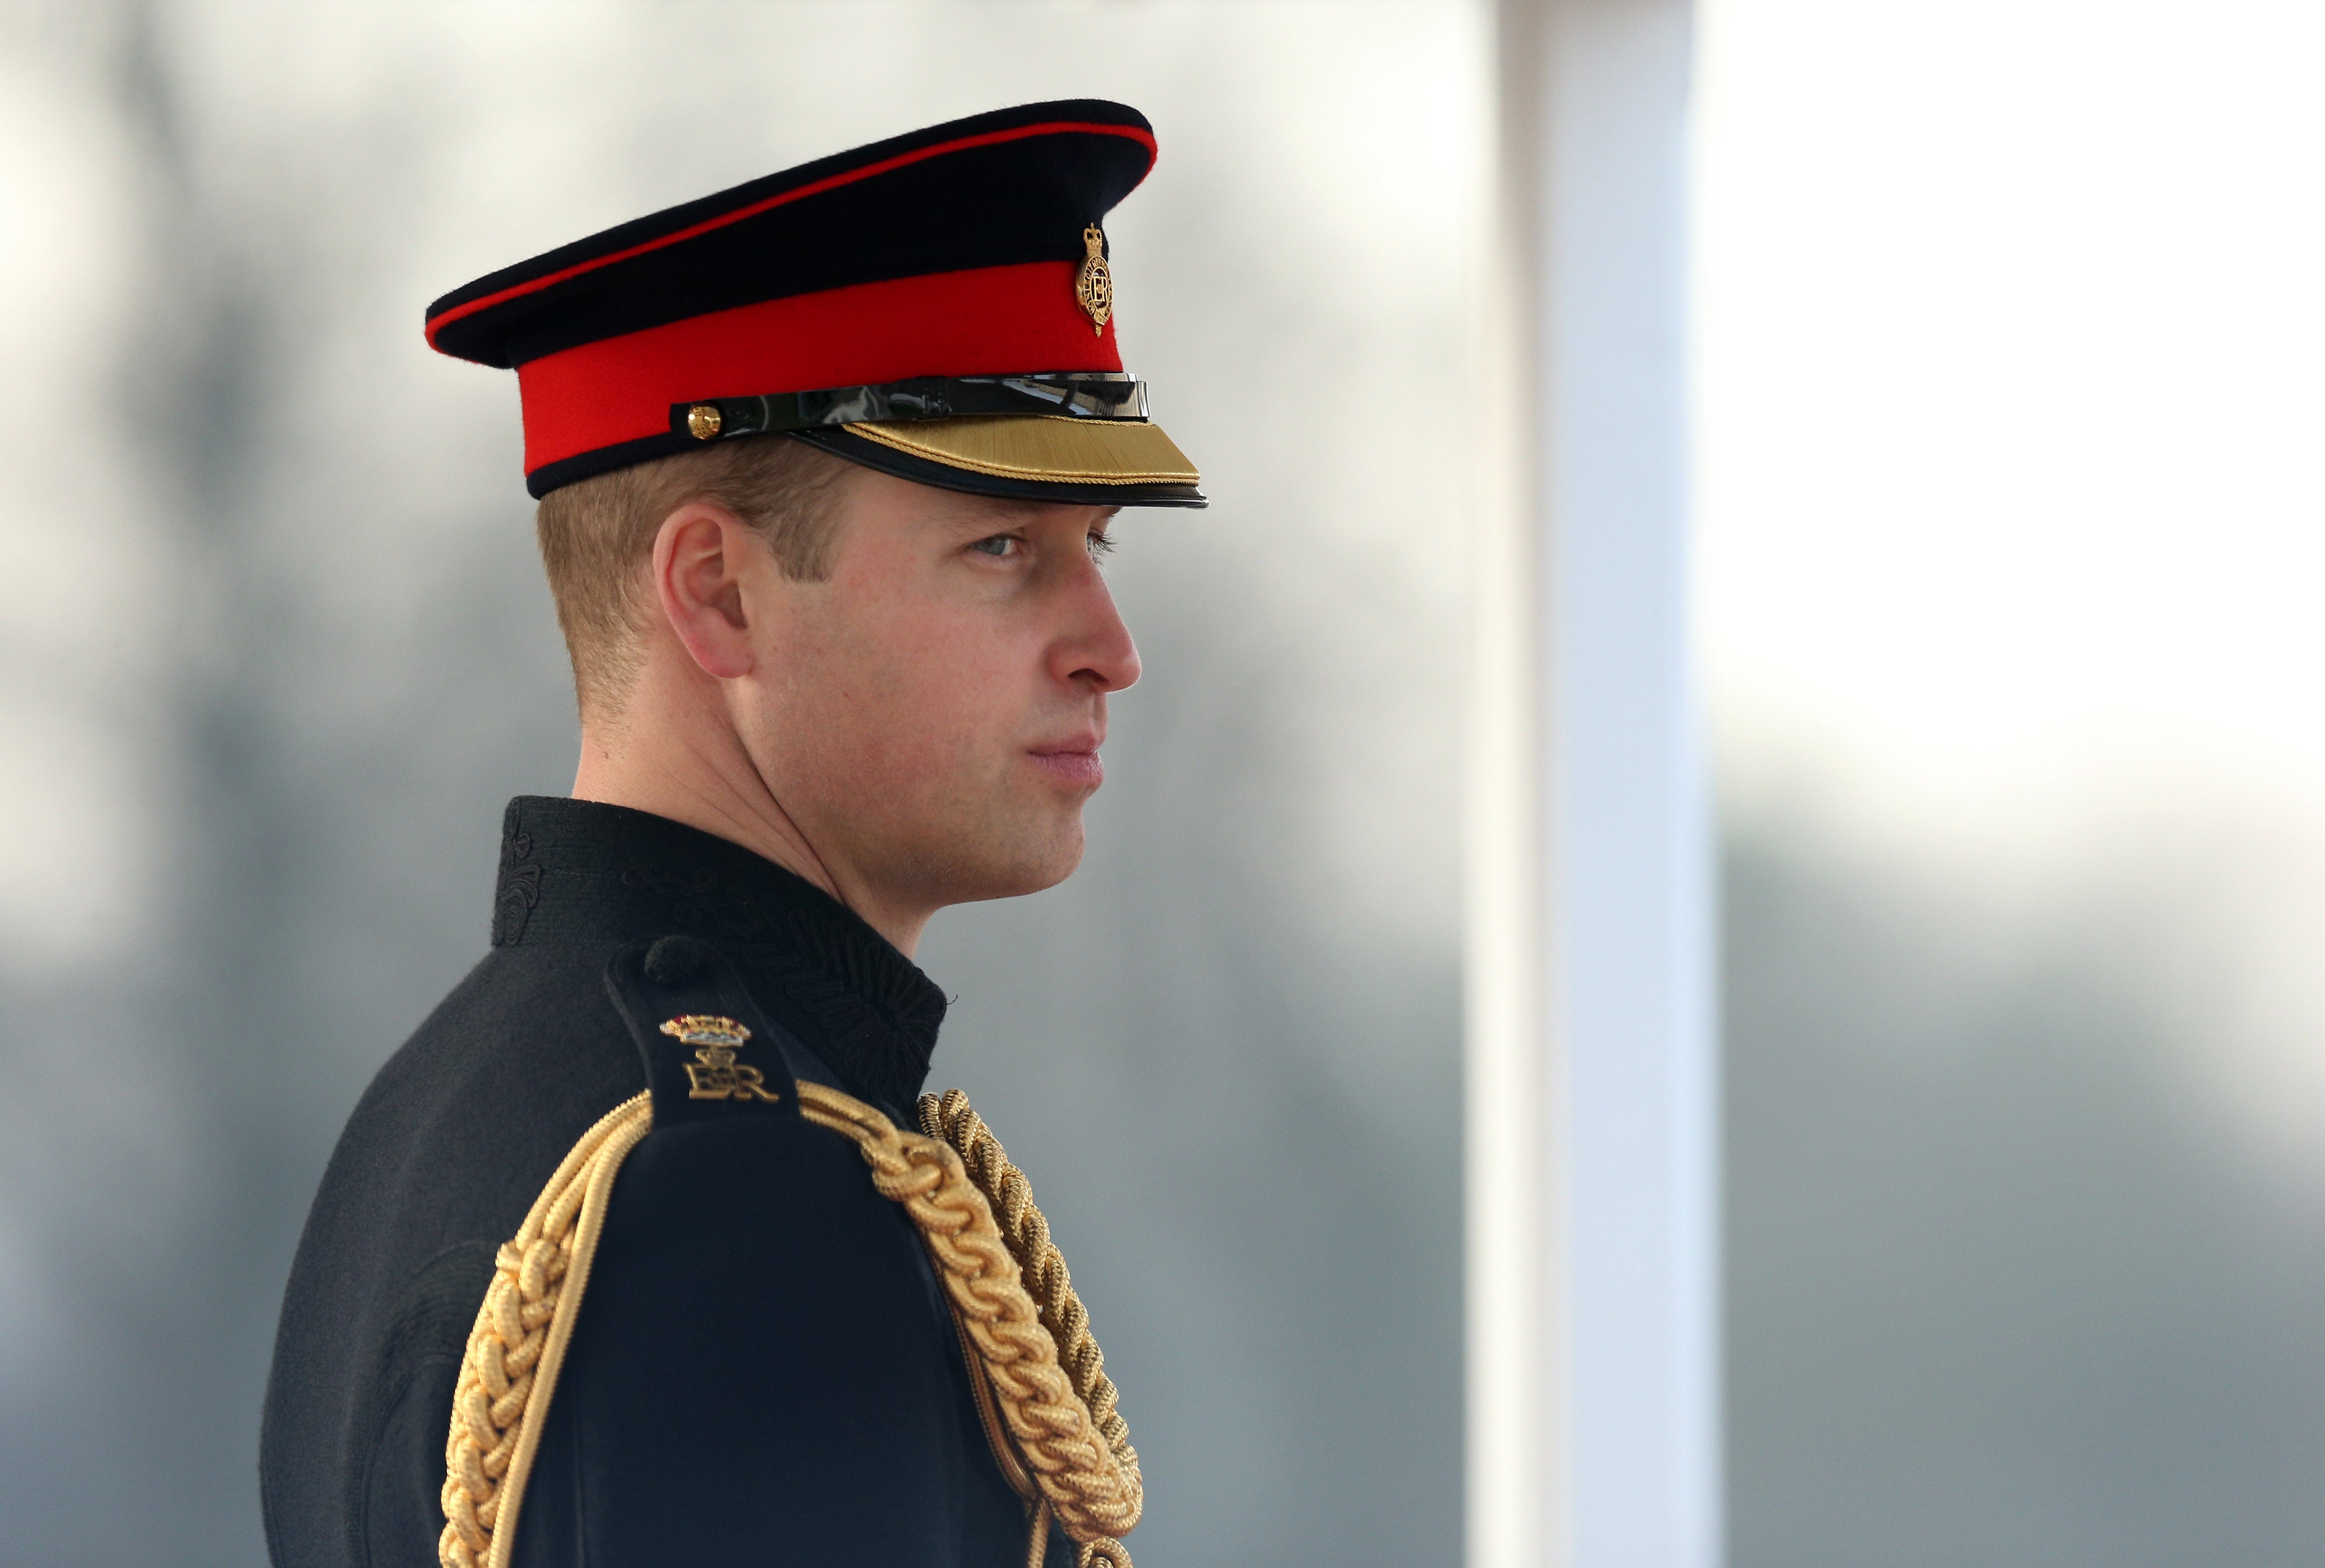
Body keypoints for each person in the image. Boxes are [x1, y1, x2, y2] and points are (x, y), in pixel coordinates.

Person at [258, 99, 1200, 1568]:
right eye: (1004, 547)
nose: (1107, 645)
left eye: (1099, 545)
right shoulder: (735, 1203)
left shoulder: (453, 1103)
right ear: (718, 593)